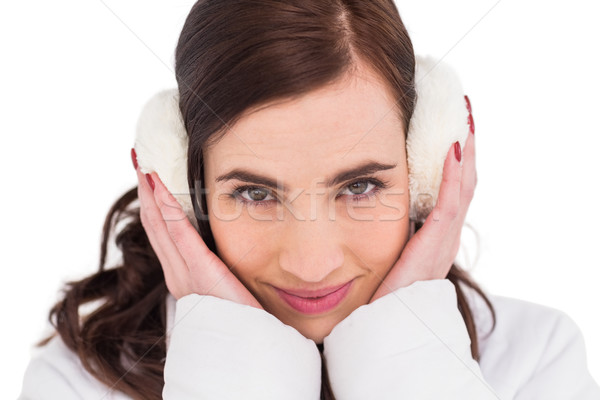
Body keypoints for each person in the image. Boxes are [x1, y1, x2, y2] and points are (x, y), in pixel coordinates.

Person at [18, 1, 600, 399]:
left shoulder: (535, 361)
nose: (311, 262)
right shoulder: (77, 384)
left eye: (360, 186)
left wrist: (407, 357)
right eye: (253, 193)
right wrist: (234, 365)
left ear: (425, 169)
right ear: (178, 186)